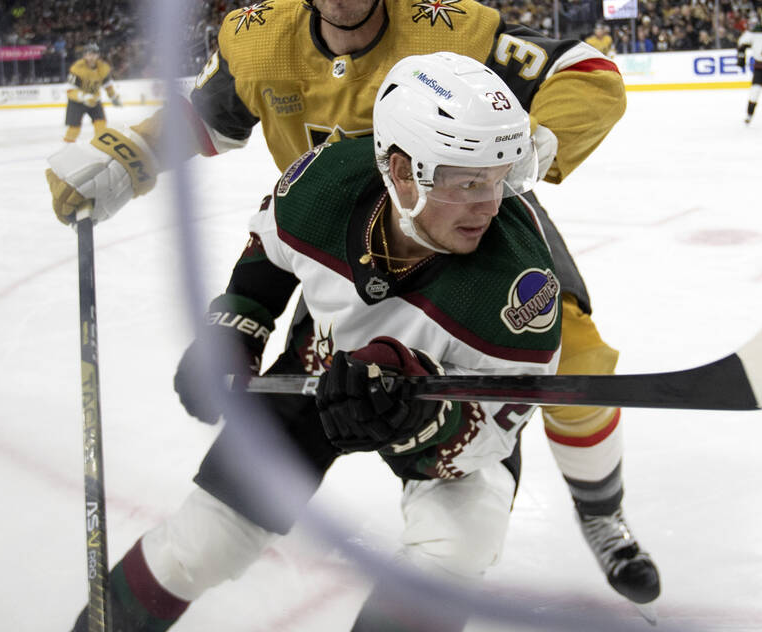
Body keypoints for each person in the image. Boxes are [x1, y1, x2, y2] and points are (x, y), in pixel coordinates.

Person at [47, 0, 660, 611]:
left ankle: (604, 517)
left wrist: (539, 142)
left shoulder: (448, 25)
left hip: (466, 232)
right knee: (267, 458)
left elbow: (584, 69)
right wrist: (126, 158)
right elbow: (211, 118)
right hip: (340, 248)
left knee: (577, 360)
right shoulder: (260, 39)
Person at [71, 52, 562, 631]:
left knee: (451, 557)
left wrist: (418, 420)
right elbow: (269, 249)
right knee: (200, 545)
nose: (489, 204)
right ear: (402, 171)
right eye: (469, 182)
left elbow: (498, 425)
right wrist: (235, 328)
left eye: (501, 178)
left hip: (442, 406)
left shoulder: (521, 290)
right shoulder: (325, 183)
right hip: (316, 365)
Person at [62, 42, 121, 143]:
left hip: (94, 100)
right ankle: (68, 146)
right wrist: (84, 97)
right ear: (84, 55)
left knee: (101, 124)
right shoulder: (77, 69)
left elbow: (107, 85)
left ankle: (101, 145)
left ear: (98, 55)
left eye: (94, 54)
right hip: (76, 102)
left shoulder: (102, 68)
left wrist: (113, 96)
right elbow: (69, 89)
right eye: (89, 54)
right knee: (74, 128)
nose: (91, 57)